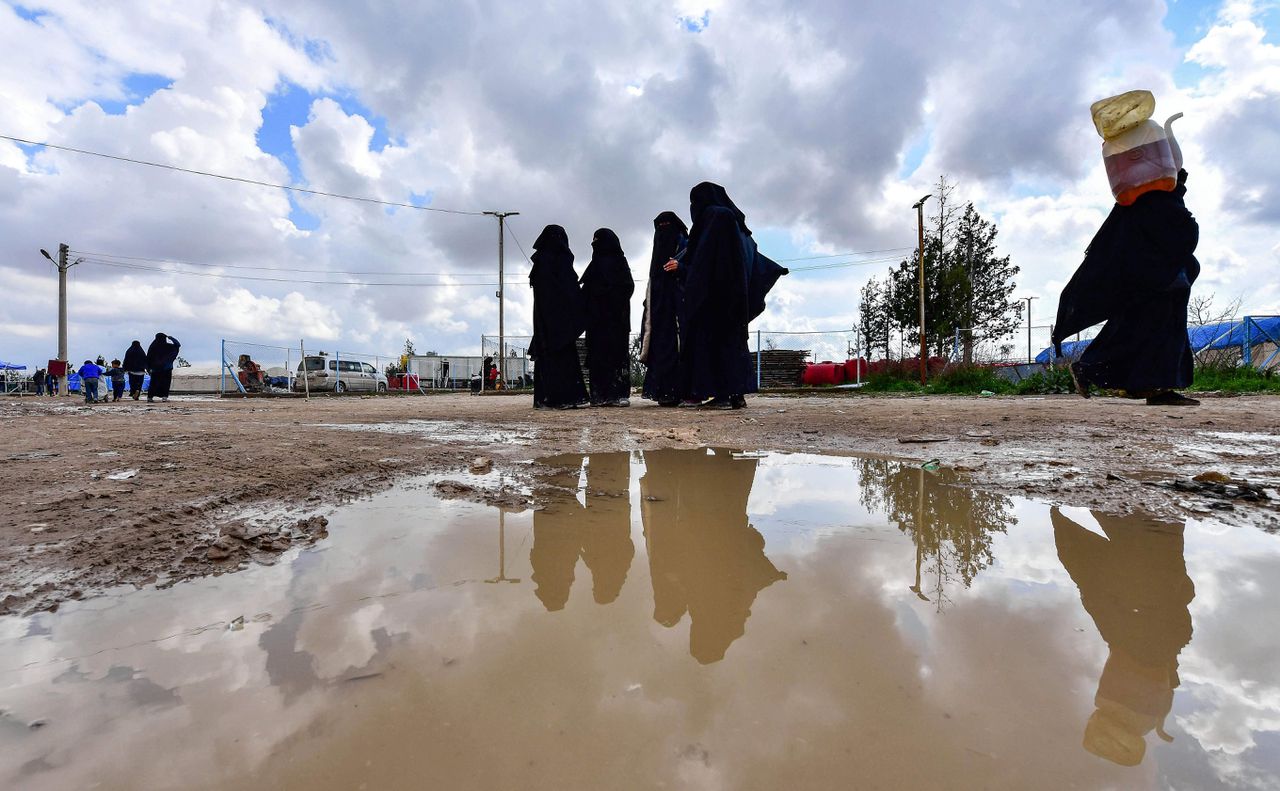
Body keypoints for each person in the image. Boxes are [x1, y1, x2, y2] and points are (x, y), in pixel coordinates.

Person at [1052, 508, 1194, 766]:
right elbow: (1079, 561)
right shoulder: (1127, 627)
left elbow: (1081, 564)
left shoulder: (1158, 636)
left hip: (1153, 518)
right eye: (1112, 685)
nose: (1106, 676)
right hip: (1140, 514)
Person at [1053, 169, 1200, 406]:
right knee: (1144, 332)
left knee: (1147, 332)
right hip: (1157, 283)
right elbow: (1184, 236)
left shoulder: (1142, 201)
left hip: (1155, 283)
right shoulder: (1159, 203)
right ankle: (1092, 369)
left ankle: (1153, 388)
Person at [641, 447, 786, 663]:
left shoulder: (729, 617)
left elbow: (747, 579)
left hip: (711, 520)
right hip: (707, 520)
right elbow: (746, 578)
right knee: (719, 490)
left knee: (721, 494)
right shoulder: (724, 615)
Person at [679, 182, 788, 409]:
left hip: (716, 296)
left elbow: (704, 261)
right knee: (734, 344)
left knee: (716, 343)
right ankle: (736, 395)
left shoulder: (714, 217)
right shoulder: (741, 228)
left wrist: (683, 272)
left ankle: (723, 396)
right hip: (737, 297)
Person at [528, 224, 589, 410]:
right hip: (561, 323)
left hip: (543, 322)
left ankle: (545, 398)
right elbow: (570, 291)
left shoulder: (539, 262)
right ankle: (564, 399)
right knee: (563, 358)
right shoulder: (561, 260)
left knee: (547, 358)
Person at [580, 228, 635, 406]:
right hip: (597, 323)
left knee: (616, 356)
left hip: (616, 321)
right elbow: (584, 295)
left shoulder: (620, 264)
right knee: (598, 358)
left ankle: (617, 395)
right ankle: (599, 395)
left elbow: (628, 287)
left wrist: (607, 297)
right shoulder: (593, 266)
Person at [639, 211, 689, 406]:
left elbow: (695, 269)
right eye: (660, 227)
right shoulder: (657, 251)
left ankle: (680, 391)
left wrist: (680, 268)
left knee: (677, 347)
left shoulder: (686, 245)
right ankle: (663, 392)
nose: (663, 230)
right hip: (657, 306)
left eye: (667, 225)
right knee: (660, 347)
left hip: (678, 305)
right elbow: (654, 277)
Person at [146, 332, 180, 403]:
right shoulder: (169, 347)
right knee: (166, 383)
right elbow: (177, 345)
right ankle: (164, 397)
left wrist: (148, 369)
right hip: (166, 368)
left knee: (153, 383)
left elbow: (148, 358)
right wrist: (171, 338)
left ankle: (150, 397)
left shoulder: (153, 347)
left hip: (155, 369)